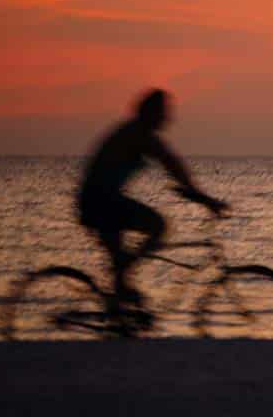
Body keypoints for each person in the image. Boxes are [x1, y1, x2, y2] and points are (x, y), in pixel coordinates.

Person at [77, 89, 229, 307]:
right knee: (158, 226)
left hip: (98, 201)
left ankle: (119, 317)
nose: (167, 118)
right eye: (163, 112)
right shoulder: (140, 135)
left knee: (121, 273)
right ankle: (123, 283)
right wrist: (204, 199)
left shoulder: (133, 131)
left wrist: (191, 193)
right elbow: (173, 165)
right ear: (152, 114)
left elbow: (172, 167)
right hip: (100, 202)